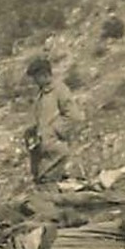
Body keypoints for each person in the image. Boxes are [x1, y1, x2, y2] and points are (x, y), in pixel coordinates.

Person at [22, 56, 81, 184]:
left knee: (51, 185)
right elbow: (44, 120)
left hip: (56, 151)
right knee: (43, 183)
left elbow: (74, 116)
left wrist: (53, 132)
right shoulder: (43, 94)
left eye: (36, 77)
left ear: (44, 75)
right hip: (44, 152)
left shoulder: (60, 90)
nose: (34, 81)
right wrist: (33, 131)